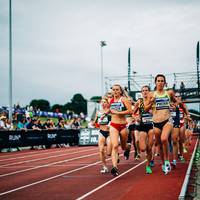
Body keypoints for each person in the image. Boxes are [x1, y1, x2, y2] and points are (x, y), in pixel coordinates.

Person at [145, 74, 176, 175]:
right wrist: (151, 102)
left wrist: (173, 106)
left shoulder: (169, 93)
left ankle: (167, 161)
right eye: (158, 81)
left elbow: (176, 103)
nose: (160, 82)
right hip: (156, 122)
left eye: (162, 81)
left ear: (165, 82)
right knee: (159, 145)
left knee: (164, 139)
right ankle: (164, 163)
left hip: (167, 120)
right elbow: (145, 109)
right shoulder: (151, 94)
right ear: (155, 82)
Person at [108, 84, 132, 176]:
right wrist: (105, 113)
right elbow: (110, 110)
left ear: (120, 91)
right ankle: (115, 167)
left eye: (117, 89)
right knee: (114, 145)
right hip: (113, 125)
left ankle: (128, 148)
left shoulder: (124, 100)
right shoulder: (110, 100)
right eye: (113, 89)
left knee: (123, 147)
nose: (115, 91)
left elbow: (130, 111)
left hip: (122, 126)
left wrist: (118, 112)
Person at [133, 85, 154, 174]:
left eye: (146, 90)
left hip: (152, 126)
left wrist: (152, 112)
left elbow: (159, 111)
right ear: (141, 92)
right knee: (142, 148)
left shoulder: (153, 101)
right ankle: (143, 154)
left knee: (149, 148)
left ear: (149, 91)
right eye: (143, 90)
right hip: (142, 126)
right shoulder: (139, 102)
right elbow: (133, 113)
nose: (145, 92)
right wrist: (136, 118)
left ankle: (148, 165)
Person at [94, 96, 112, 174]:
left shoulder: (110, 111)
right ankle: (104, 167)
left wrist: (110, 124)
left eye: (105, 102)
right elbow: (95, 122)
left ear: (108, 103)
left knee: (108, 153)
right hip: (101, 132)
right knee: (101, 150)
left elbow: (114, 120)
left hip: (109, 133)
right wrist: (96, 123)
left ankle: (115, 154)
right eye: (102, 102)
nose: (103, 103)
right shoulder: (98, 112)